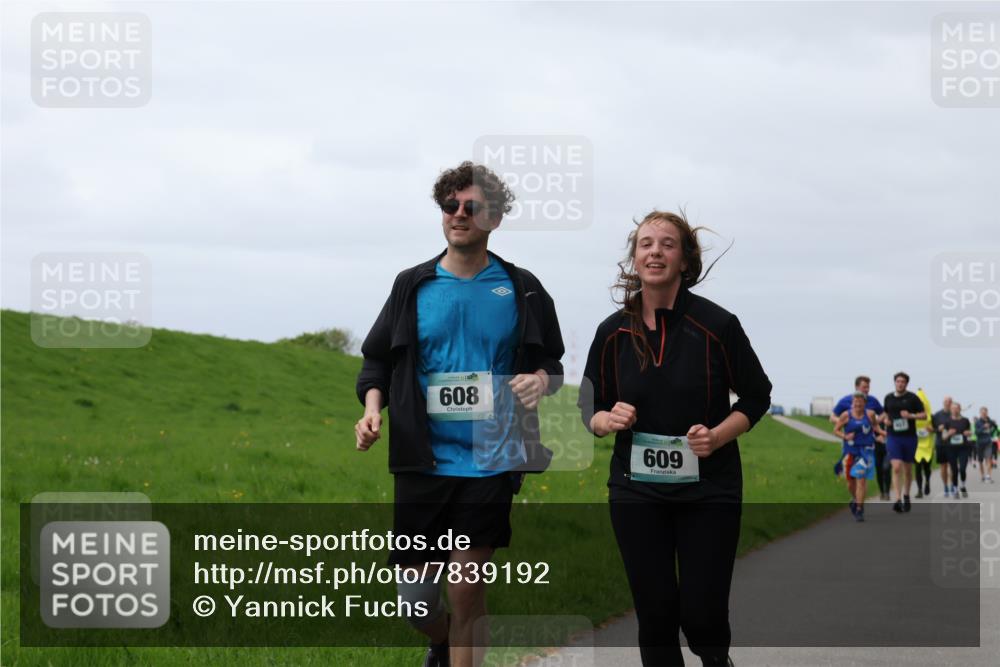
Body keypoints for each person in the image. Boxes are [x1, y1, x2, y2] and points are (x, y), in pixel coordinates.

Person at [354, 161, 565, 667]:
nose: (460, 215)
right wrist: (371, 412)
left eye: (473, 207)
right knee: (415, 601)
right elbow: (376, 360)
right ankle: (440, 641)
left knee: (466, 590)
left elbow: (551, 364)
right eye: (451, 205)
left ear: (494, 218)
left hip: (491, 460)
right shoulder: (412, 285)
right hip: (422, 461)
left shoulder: (521, 287)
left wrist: (539, 381)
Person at [578, 210, 772, 666]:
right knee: (656, 616)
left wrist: (718, 436)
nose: (655, 252)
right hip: (636, 489)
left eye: (667, 244)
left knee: (703, 619)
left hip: (709, 489)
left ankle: (715, 658)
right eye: (646, 244)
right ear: (634, 257)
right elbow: (589, 404)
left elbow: (757, 395)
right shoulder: (612, 332)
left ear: (685, 260)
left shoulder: (718, 326)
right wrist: (606, 420)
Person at [830, 376, 887, 499]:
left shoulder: (872, 401)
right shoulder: (845, 400)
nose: (867, 390)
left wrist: (875, 422)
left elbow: (883, 414)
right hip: (849, 443)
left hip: (866, 444)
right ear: (856, 387)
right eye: (864, 387)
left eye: (868, 387)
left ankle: (860, 505)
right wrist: (844, 421)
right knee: (851, 479)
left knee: (861, 477)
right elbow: (832, 417)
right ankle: (856, 497)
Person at [832, 392, 884, 521]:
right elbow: (836, 430)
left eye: (860, 401)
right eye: (855, 401)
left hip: (865, 451)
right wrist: (845, 436)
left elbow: (875, 426)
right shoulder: (846, 415)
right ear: (852, 403)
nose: (858, 404)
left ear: (864, 403)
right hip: (850, 451)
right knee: (850, 482)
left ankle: (860, 509)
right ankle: (855, 499)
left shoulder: (870, 414)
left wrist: (883, 433)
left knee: (861, 479)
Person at [882, 372, 927, 513]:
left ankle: (906, 495)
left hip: (909, 438)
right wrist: (885, 421)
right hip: (893, 436)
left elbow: (924, 415)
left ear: (906, 384)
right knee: (896, 467)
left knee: (907, 469)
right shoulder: (888, 398)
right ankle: (897, 499)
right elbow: (886, 414)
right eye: (898, 381)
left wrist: (911, 415)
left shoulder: (913, 398)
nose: (900, 384)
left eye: (903, 382)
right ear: (894, 382)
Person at [942, 401, 973, 498]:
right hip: (951, 448)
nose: (955, 410)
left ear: (960, 409)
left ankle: (963, 485)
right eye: (953, 408)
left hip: (963, 448)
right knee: (954, 469)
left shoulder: (965, 420)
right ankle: (955, 489)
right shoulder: (947, 422)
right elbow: (943, 437)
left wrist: (969, 433)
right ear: (950, 410)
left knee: (962, 469)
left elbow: (970, 433)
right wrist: (948, 434)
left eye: (956, 408)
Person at [913, 388, 935, 498]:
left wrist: (932, 429)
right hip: (916, 446)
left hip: (928, 446)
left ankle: (927, 482)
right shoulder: (913, 416)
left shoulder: (931, 417)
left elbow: (936, 429)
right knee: (917, 467)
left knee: (926, 467)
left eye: (922, 403)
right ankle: (919, 489)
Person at [932, 396, 955, 497]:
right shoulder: (937, 415)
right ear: (943, 402)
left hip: (953, 443)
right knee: (943, 466)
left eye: (949, 401)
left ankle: (952, 485)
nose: (948, 403)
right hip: (940, 443)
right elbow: (932, 428)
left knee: (953, 466)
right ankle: (945, 486)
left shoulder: (955, 414)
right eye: (946, 401)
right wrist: (938, 429)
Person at [974, 407, 997, 483]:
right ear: (980, 413)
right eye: (982, 413)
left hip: (988, 442)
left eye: (985, 413)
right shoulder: (977, 422)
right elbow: (976, 433)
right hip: (980, 443)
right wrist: (983, 427)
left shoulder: (990, 421)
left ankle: (988, 476)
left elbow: (995, 427)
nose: (984, 414)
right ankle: (983, 475)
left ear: (987, 413)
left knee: (989, 458)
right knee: (980, 461)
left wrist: (991, 432)